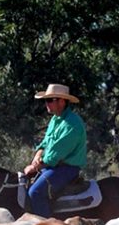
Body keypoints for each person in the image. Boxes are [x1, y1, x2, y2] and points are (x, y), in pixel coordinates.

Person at [23, 83, 87, 217]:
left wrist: (35, 167)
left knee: (35, 192)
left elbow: (55, 154)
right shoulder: (55, 119)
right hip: (52, 167)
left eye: (50, 100)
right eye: (46, 100)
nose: (46, 103)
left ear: (62, 101)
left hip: (66, 169)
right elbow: (45, 143)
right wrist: (37, 155)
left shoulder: (72, 123)